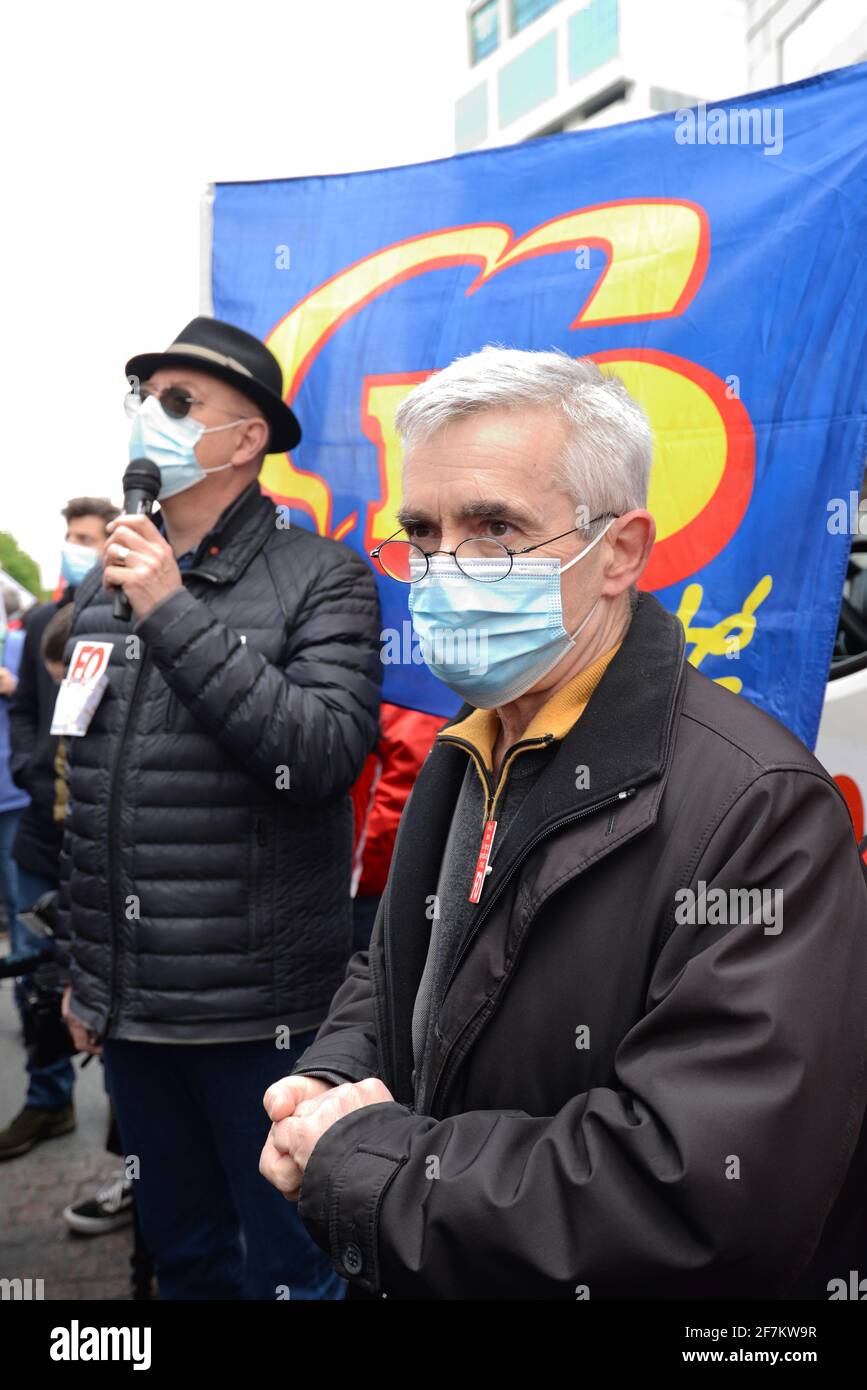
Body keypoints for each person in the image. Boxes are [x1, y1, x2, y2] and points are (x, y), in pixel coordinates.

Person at [261, 346, 867, 1301]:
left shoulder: (759, 807)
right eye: (421, 532)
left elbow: (700, 1197)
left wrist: (369, 1164)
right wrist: (335, 1079)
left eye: (495, 528)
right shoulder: (465, 752)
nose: (445, 568)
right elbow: (400, 966)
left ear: (619, 551)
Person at [55, 315, 382, 1300]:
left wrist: (177, 613)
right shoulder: (103, 597)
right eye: (146, 400)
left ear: (247, 441)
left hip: (261, 1023)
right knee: (184, 1258)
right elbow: (91, 795)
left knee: (290, 1268)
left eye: (180, 403)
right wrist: (84, 977)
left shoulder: (322, 577)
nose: (151, 420)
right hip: (138, 1019)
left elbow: (319, 754)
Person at [0, 499, 117, 1160]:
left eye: (84, 538)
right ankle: (48, 1102)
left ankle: (127, 1135)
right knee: (36, 978)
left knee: (109, 982)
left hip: (103, 841)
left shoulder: (129, 619)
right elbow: (21, 707)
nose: (74, 548)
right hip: (41, 839)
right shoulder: (43, 619)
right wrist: (28, 762)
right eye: (68, 537)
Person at [0, 586, 29, 944]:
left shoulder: (20, 645)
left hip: (13, 790)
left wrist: (14, 686)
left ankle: (26, 976)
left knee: (17, 884)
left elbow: (45, 697)